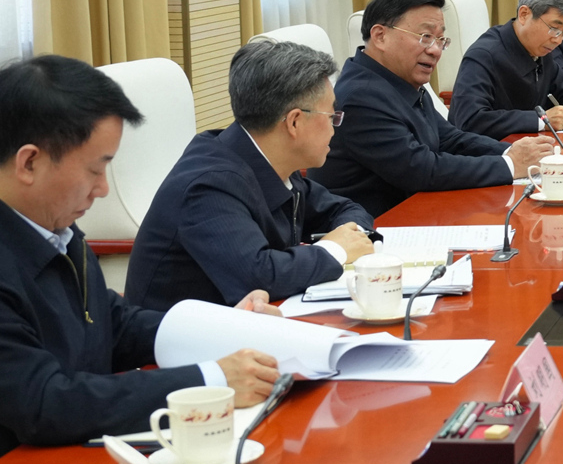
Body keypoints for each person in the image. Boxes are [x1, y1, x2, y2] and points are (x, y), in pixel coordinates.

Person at [0, 56, 280, 464]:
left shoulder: (46, 225)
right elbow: (45, 403)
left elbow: (111, 323)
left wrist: (222, 329)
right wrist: (211, 380)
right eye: (96, 170)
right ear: (29, 162)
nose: (102, 189)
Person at [126, 40, 376, 311]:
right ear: (294, 122)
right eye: (331, 116)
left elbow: (344, 209)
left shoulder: (269, 159)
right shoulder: (210, 185)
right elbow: (257, 276)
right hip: (183, 336)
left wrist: (350, 237)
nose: (334, 127)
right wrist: (335, 250)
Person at [310, 0, 551, 217]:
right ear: (380, 36)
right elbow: (420, 170)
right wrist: (509, 165)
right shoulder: (360, 96)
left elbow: (448, 138)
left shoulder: (397, 78)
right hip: (375, 228)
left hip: (418, 211)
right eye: (425, 37)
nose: (436, 50)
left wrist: (513, 151)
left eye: (441, 39)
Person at [449, 0, 563, 139]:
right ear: (524, 14)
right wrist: (541, 120)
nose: (558, 40)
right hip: (490, 150)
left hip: (530, 145)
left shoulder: (540, 50)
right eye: (555, 28)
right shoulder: (484, 55)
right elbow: (470, 120)